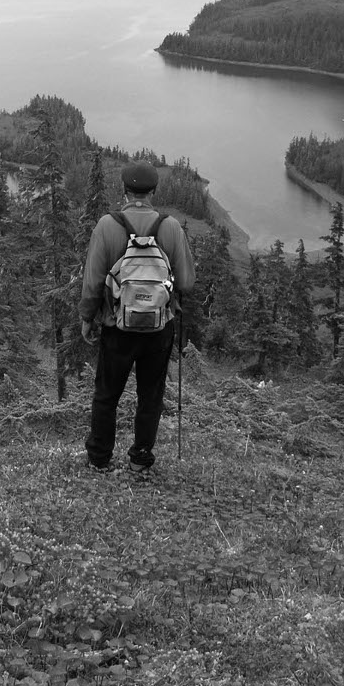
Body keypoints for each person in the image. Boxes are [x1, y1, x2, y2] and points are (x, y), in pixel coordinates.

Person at [79, 160, 195, 472]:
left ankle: (99, 458)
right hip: (159, 328)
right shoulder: (169, 227)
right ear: (154, 190)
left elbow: (92, 281)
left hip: (117, 326)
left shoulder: (107, 225)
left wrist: (87, 318)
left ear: (124, 189)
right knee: (150, 396)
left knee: (106, 395)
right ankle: (141, 458)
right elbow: (185, 282)